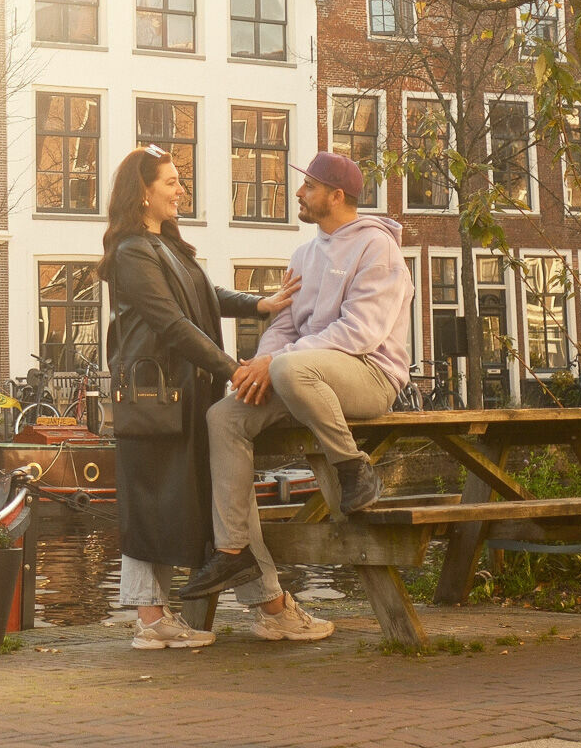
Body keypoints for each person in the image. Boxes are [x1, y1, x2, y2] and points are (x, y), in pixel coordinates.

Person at [181, 151, 412, 642]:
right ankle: (232, 551)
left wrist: (279, 363)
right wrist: (259, 368)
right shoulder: (305, 254)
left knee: (289, 365)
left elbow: (361, 333)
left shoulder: (378, 250)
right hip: (302, 376)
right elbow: (282, 324)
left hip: (370, 375)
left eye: (308, 186)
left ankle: (355, 470)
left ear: (336, 195)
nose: (299, 194)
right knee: (223, 416)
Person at [99, 145, 299, 650]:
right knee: (151, 501)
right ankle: (151, 621)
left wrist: (259, 303)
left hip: (182, 394)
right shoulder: (131, 252)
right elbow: (170, 323)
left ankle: (260, 606)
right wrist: (234, 370)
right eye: (170, 182)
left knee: (186, 498)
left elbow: (203, 297)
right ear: (143, 192)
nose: (179, 189)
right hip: (155, 398)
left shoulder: (163, 245)